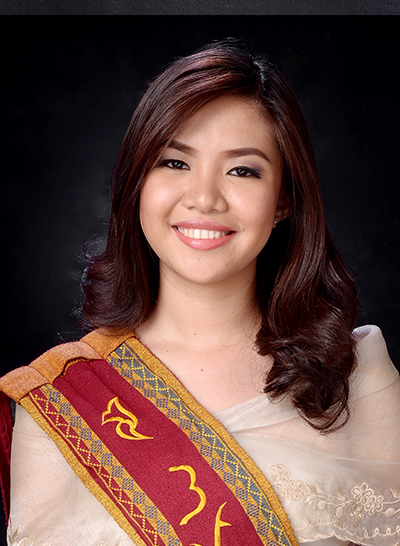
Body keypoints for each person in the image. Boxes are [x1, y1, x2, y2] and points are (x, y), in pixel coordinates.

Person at [0, 39, 398, 546]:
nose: (205, 198)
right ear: (137, 182)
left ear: (283, 200)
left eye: (242, 170)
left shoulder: (356, 377)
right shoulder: (59, 402)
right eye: (175, 162)